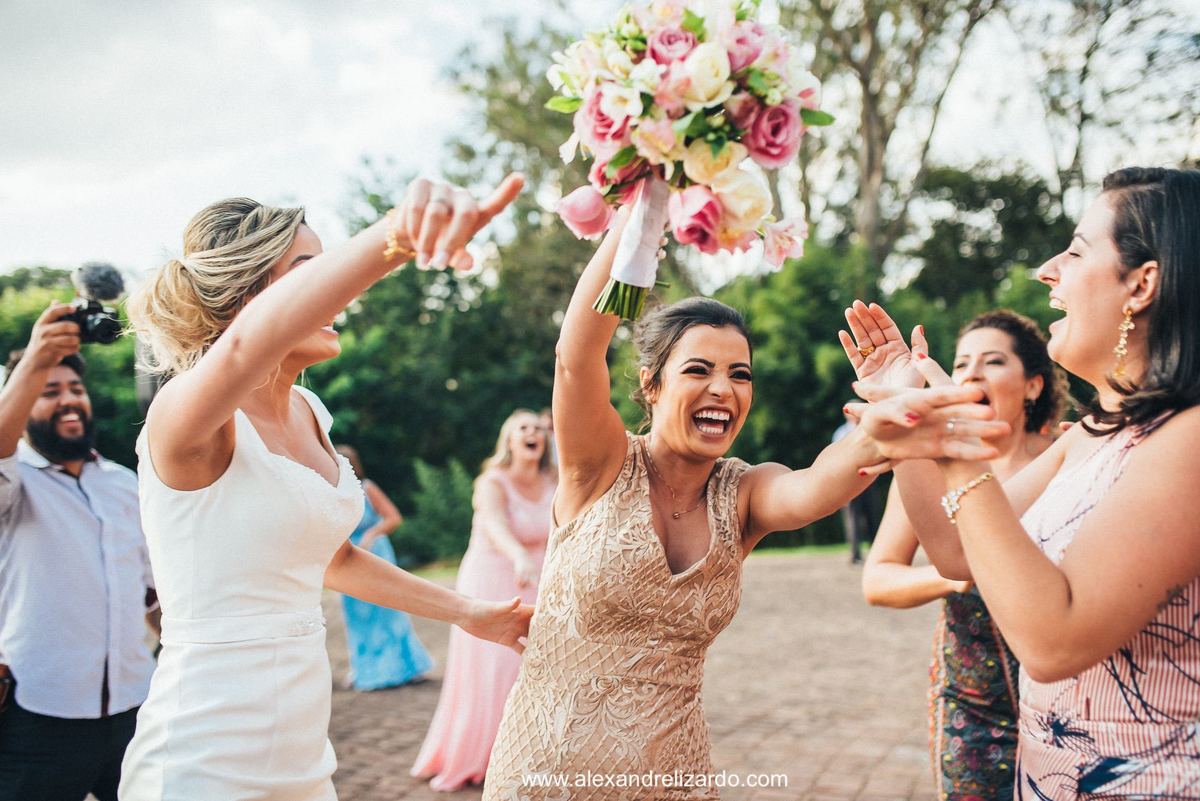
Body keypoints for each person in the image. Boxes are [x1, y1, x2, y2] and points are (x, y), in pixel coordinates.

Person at [481, 208, 1002, 800]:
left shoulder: (745, 492)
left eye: (740, 374)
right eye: (698, 370)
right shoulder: (599, 465)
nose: (723, 390)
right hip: (546, 774)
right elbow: (577, 358)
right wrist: (640, 216)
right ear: (652, 385)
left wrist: (896, 401)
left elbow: (819, 482)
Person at [119, 176, 533, 801]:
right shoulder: (187, 416)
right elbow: (236, 357)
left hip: (304, 754)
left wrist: (471, 615)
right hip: (200, 754)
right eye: (311, 270)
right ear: (245, 296)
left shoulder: (310, 412)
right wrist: (396, 235)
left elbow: (332, 558)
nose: (339, 290)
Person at [846, 167, 1200, 799]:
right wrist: (914, 423)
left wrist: (954, 451)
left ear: (1143, 284)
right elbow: (959, 550)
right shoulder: (1095, 431)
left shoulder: (1189, 438)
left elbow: (1054, 642)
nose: (1047, 269)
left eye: (1076, 250)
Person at [859, 310, 1066, 801]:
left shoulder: (1069, 454)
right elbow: (878, 579)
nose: (972, 372)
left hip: (1068, 703)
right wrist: (954, 579)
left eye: (992, 362)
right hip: (971, 705)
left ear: (1033, 385)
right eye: (962, 362)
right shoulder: (930, 467)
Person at [0, 314, 159, 801]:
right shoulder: (14, 485)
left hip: (137, 709)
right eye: (48, 391)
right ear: (22, 403)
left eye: (75, 388)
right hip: (37, 717)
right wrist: (37, 356)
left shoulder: (122, 481)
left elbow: (153, 590)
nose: (68, 399)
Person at [413, 408, 556, 791]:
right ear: (509, 440)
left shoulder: (553, 479)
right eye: (523, 428)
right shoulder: (492, 481)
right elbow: (494, 525)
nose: (533, 433)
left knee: (530, 667)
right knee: (493, 668)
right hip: (493, 576)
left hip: (539, 579)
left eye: (538, 429)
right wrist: (518, 555)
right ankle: (483, 756)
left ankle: (527, 754)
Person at [333, 444, 433, 691]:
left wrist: (371, 533)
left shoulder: (367, 488)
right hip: (347, 557)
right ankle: (366, 668)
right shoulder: (330, 493)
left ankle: (402, 667)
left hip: (375, 552)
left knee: (388, 610)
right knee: (357, 614)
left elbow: (393, 518)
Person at [831, 407, 880, 563]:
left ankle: (876, 554)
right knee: (853, 519)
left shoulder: (868, 429)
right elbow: (835, 458)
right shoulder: (841, 433)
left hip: (868, 479)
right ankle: (855, 555)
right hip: (848, 480)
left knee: (872, 517)